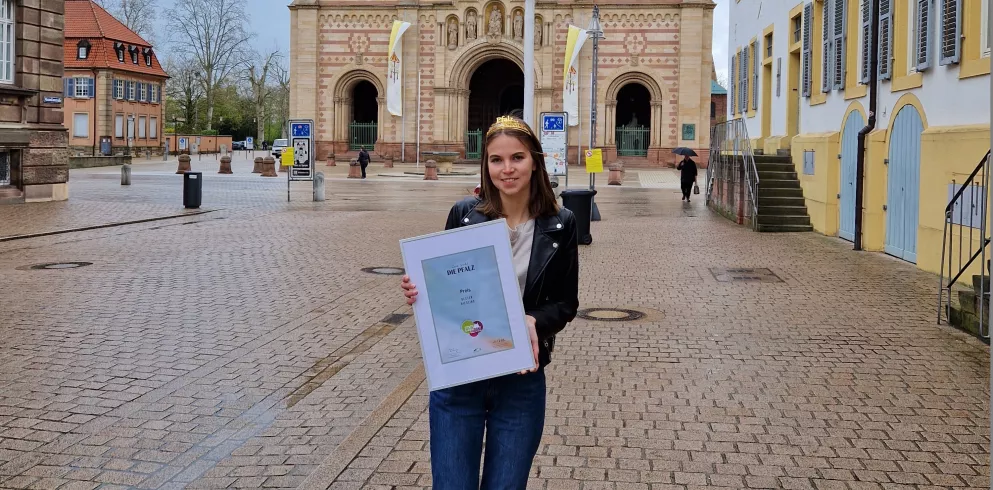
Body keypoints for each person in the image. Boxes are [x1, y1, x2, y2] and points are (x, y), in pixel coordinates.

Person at [400, 116, 579, 490]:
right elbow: (447, 288)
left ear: (535, 161)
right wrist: (421, 289)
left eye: (517, 157)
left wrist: (533, 321)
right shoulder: (464, 215)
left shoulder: (561, 223)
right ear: (486, 165)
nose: (507, 169)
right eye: (497, 160)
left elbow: (565, 302)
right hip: (461, 375)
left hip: (520, 379)